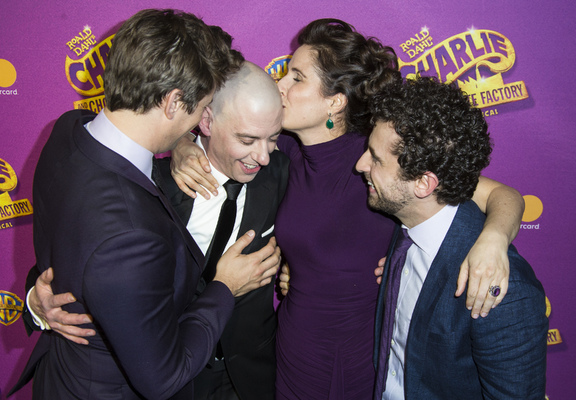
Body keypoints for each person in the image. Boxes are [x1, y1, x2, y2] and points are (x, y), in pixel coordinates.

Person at [170, 19, 525, 399]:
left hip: (352, 353)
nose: (280, 85)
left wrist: (493, 239)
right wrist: (183, 143)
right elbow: (223, 124)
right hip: (290, 345)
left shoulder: (375, 160)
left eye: (297, 78)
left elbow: (502, 195)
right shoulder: (282, 149)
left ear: (335, 101)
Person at [9, 10, 282, 400]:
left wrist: (36, 303)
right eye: (199, 108)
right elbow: (163, 377)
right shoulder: (130, 233)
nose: (200, 121)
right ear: (173, 102)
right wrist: (225, 286)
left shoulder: (67, 131)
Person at [358, 76, 547, 399]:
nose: (360, 164)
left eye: (375, 158)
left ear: (423, 184)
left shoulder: (502, 290)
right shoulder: (409, 219)